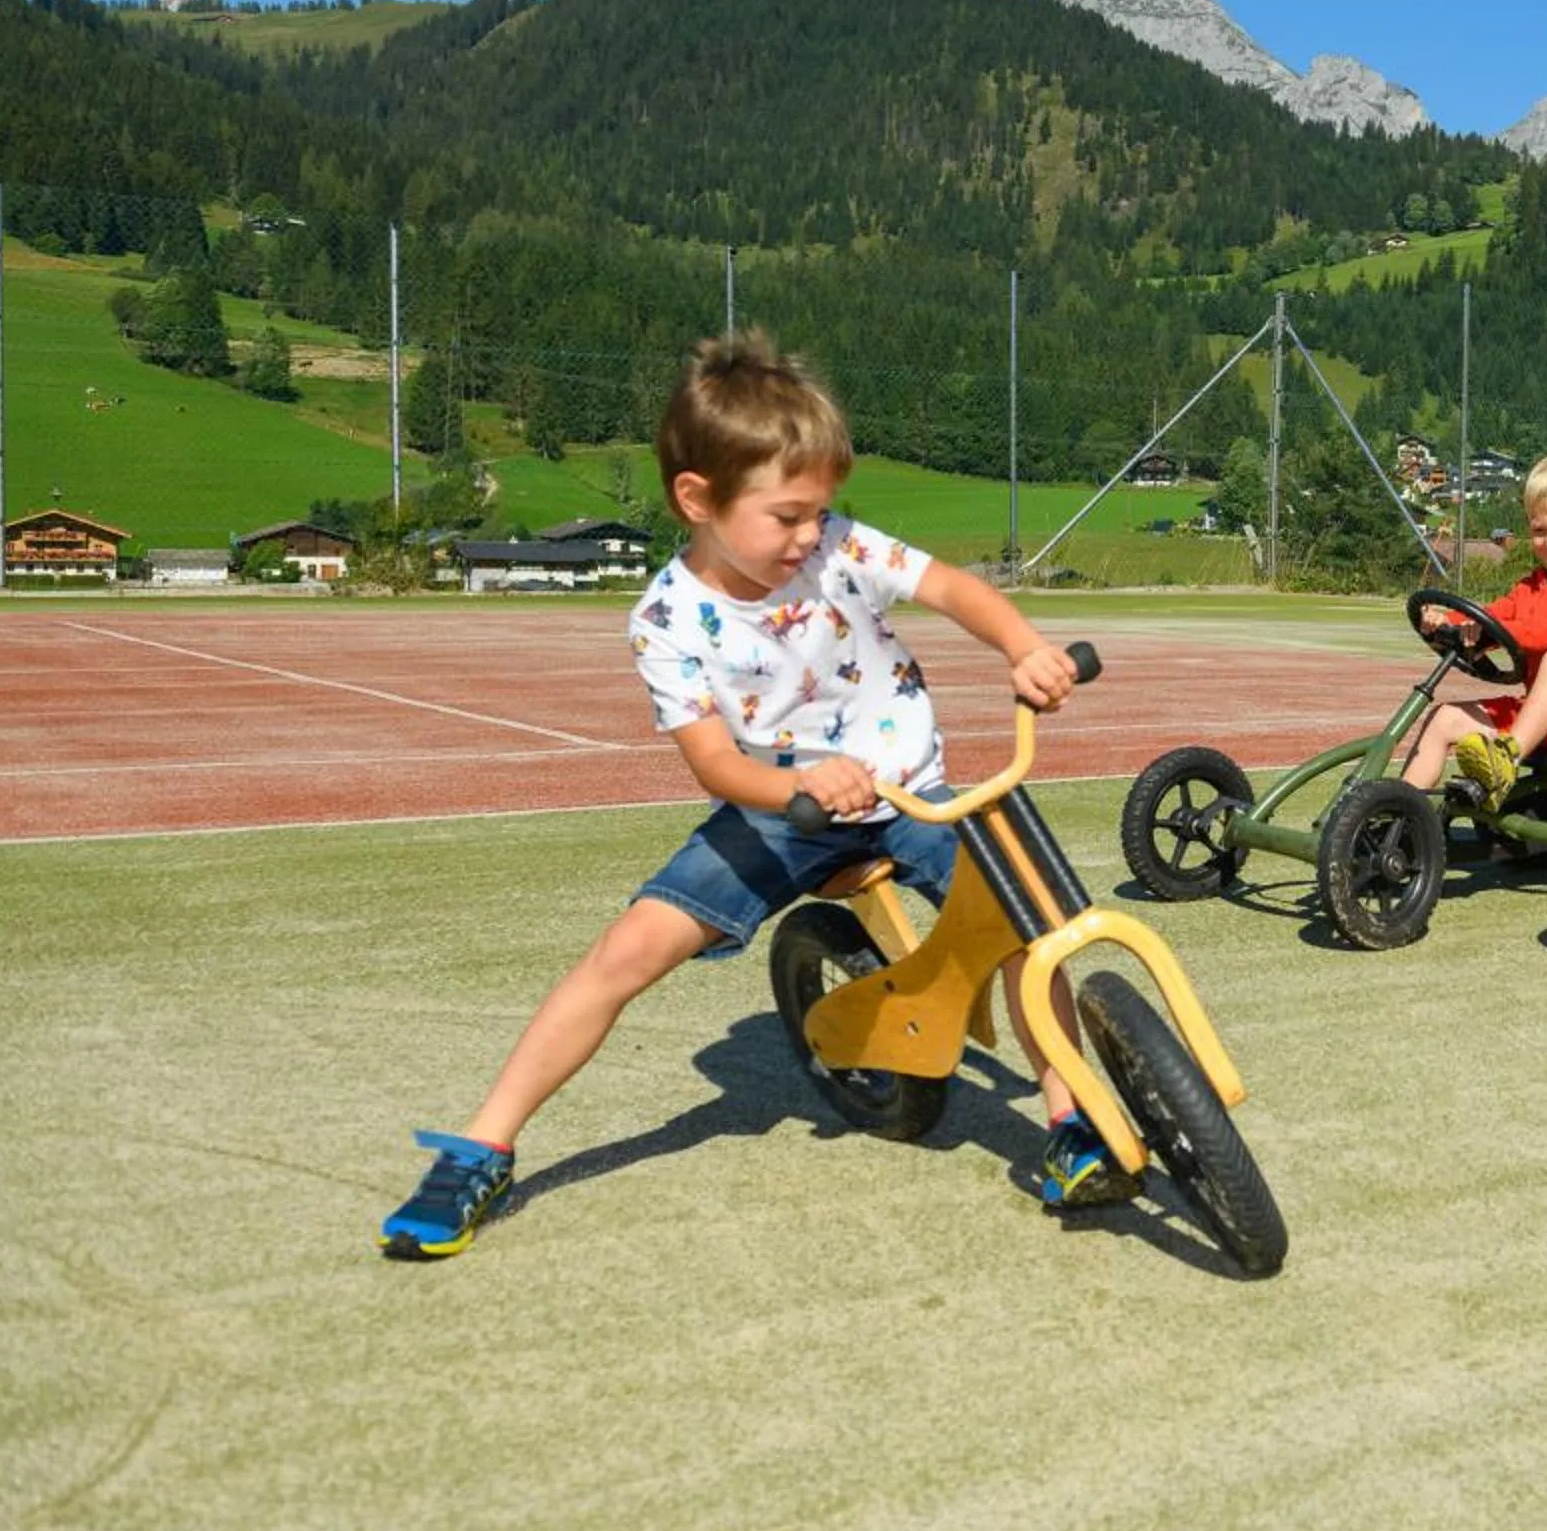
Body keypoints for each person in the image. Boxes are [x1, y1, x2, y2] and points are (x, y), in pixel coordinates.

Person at [378, 331, 1124, 1261]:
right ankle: (482, 1146)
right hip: (782, 813)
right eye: (787, 517)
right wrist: (797, 781)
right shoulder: (664, 619)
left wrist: (1022, 646)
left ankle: (1074, 1125)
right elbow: (714, 767)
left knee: (1023, 927)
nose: (811, 535)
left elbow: (951, 587)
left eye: (821, 511)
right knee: (627, 950)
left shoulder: (841, 549)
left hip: (909, 790)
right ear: (699, 498)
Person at [1400, 451, 1547, 811]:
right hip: (1538, 719)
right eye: (1539, 531)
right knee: (1444, 717)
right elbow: (1493, 615)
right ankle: (1399, 816)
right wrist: (1448, 622)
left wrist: (1501, 631)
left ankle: (1504, 761)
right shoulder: (1532, 586)